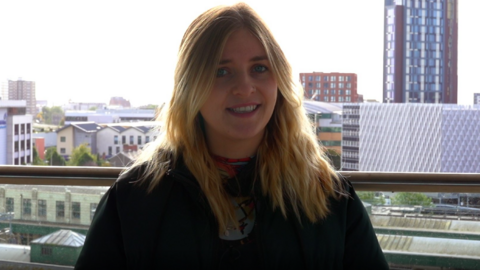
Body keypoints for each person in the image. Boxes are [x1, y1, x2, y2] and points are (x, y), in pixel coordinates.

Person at [75, 3, 389, 269]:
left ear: (279, 80)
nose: (244, 87)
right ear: (190, 87)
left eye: (260, 68)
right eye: (221, 71)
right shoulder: (135, 197)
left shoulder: (330, 197)